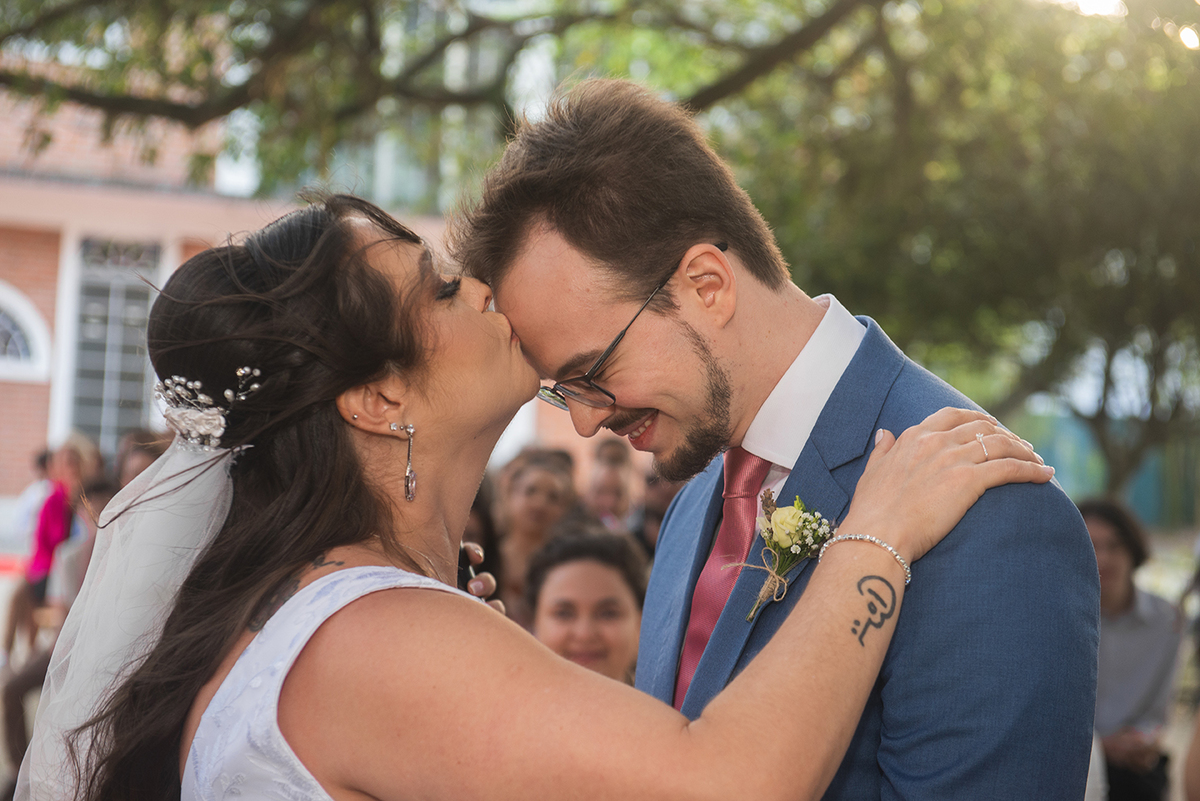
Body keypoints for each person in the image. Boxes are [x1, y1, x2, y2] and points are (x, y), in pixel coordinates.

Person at [14, 195, 1053, 801]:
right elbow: (725, 785)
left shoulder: (354, 613)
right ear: (378, 397)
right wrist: (877, 531)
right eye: (439, 287)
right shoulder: (375, 638)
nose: (483, 290)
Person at [452, 77, 1100, 798]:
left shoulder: (990, 516)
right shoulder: (696, 496)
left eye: (592, 371)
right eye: (560, 389)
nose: (583, 418)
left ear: (707, 284)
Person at [2, 479, 118, 800]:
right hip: (68, 646)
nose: (95, 514)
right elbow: (62, 616)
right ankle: (18, 767)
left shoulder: (124, 557)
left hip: (108, 652)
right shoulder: (70, 556)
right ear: (81, 513)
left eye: (103, 504)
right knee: (12, 687)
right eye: (88, 508)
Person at [1081, 498, 1181, 801]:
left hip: (1134, 765)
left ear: (1133, 550)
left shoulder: (1168, 621)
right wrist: (1099, 745)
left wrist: (1146, 740)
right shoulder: (1055, 620)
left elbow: (1157, 712)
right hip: (1075, 754)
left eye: (1114, 545)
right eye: (1090, 545)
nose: (1103, 558)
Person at [527, 529, 647, 682]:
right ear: (534, 624)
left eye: (608, 614)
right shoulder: (497, 704)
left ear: (640, 624)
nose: (584, 634)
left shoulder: (666, 705)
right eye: (563, 613)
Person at [494, 448, 576, 626]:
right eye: (530, 491)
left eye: (553, 497)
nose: (540, 504)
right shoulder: (485, 556)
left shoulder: (568, 565)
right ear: (511, 494)